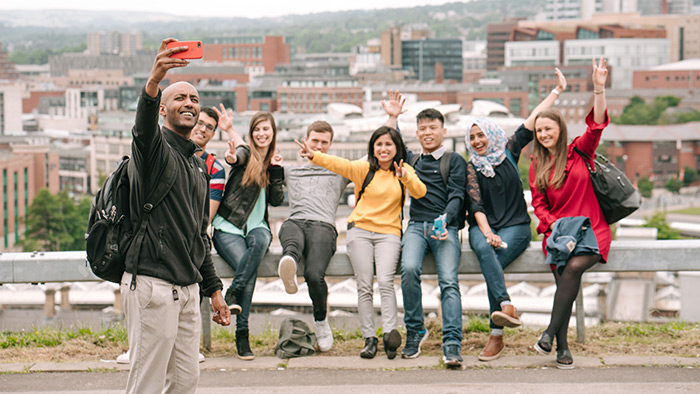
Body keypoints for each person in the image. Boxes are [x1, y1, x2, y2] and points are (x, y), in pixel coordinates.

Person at [121, 38, 230, 394]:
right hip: (153, 284)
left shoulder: (197, 165)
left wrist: (213, 289)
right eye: (179, 98)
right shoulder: (154, 152)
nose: (189, 103)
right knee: (147, 383)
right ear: (163, 111)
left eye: (194, 99)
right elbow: (142, 130)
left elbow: (199, 232)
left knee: (185, 382)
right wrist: (154, 82)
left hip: (187, 289)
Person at [295, 126, 426, 360]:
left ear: (396, 148)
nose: (383, 149)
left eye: (388, 144)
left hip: (389, 233)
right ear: (372, 148)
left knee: (386, 281)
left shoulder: (403, 169)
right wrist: (314, 154)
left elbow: (420, 192)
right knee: (364, 285)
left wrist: (404, 177)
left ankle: (389, 334)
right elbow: (338, 164)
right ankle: (369, 339)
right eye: (379, 144)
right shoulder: (363, 168)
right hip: (360, 232)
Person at [465, 69, 567, 362]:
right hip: (484, 226)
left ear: (491, 134)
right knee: (487, 250)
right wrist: (486, 232)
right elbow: (475, 206)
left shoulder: (509, 150)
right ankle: (506, 306)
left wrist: (556, 92)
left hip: (517, 227)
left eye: (480, 134)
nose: (476, 141)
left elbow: (534, 118)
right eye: (472, 137)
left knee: (491, 264)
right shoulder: (470, 167)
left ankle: (496, 335)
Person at [530, 57, 610, 370]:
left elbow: (597, 125)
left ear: (559, 128)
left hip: (591, 231)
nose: (542, 134)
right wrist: (552, 226)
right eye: (538, 131)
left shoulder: (580, 151)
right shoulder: (537, 164)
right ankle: (561, 347)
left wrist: (598, 89)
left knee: (573, 269)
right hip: (559, 234)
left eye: (547, 128)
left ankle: (550, 333)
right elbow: (539, 204)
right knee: (564, 275)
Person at [383, 95, 467, 367]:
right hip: (417, 227)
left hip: (445, 227)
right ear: (417, 133)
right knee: (408, 270)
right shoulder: (413, 161)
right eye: (423, 128)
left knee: (449, 282)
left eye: (433, 128)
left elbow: (457, 195)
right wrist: (394, 116)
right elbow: (393, 144)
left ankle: (452, 341)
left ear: (443, 131)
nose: (428, 133)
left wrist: (447, 219)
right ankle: (416, 330)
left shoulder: (454, 160)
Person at [212, 111, 284, 361]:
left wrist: (276, 172)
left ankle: (233, 293)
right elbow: (237, 155)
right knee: (249, 269)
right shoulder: (246, 155)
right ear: (252, 134)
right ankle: (242, 334)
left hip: (257, 226)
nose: (262, 134)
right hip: (229, 225)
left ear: (273, 133)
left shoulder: (273, 162)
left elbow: (277, 200)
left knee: (261, 242)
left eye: (267, 129)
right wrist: (231, 158)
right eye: (257, 130)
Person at [277, 120, 351, 352]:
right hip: (296, 222)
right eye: (314, 141)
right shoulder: (292, 170)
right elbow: (259, 162)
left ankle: (321, 321)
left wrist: (392, 117)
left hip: (323, 226)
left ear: (330, 145)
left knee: (313, 274)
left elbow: (372, 158)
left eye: (323, 142)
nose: (318, 146)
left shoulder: (340, 170)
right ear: (306, 141)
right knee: (288, 230)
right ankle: (289, 261)